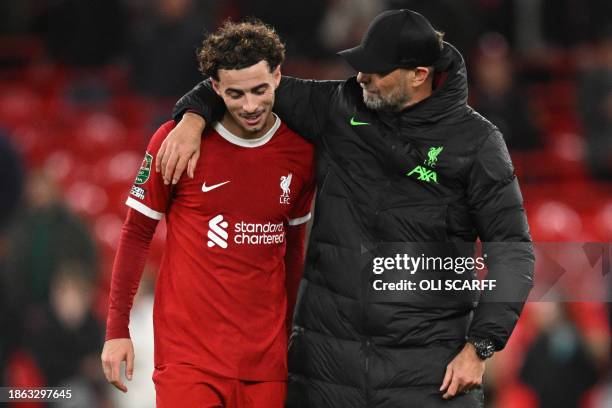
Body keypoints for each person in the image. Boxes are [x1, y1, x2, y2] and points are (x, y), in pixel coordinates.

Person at [160, 9, 535, 407]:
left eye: (375, 69)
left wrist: (480, 347)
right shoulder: (338, 107)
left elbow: (512, 250)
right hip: (326, 374)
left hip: (428, 376)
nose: (361, 76)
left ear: (419, 75)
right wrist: (192, 118)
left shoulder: (477, 143)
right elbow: (243, 87)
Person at [101, 20, 315, 408]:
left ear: (278, 76)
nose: (250, 106)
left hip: (266, 362)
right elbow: (135, 234)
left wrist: (290, 337)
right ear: (214, 88)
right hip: (190, 361)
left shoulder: (301, 152)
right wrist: (117, 330)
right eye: (235, 93)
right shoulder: (175, 142)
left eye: (259, 90)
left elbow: (293, 253)